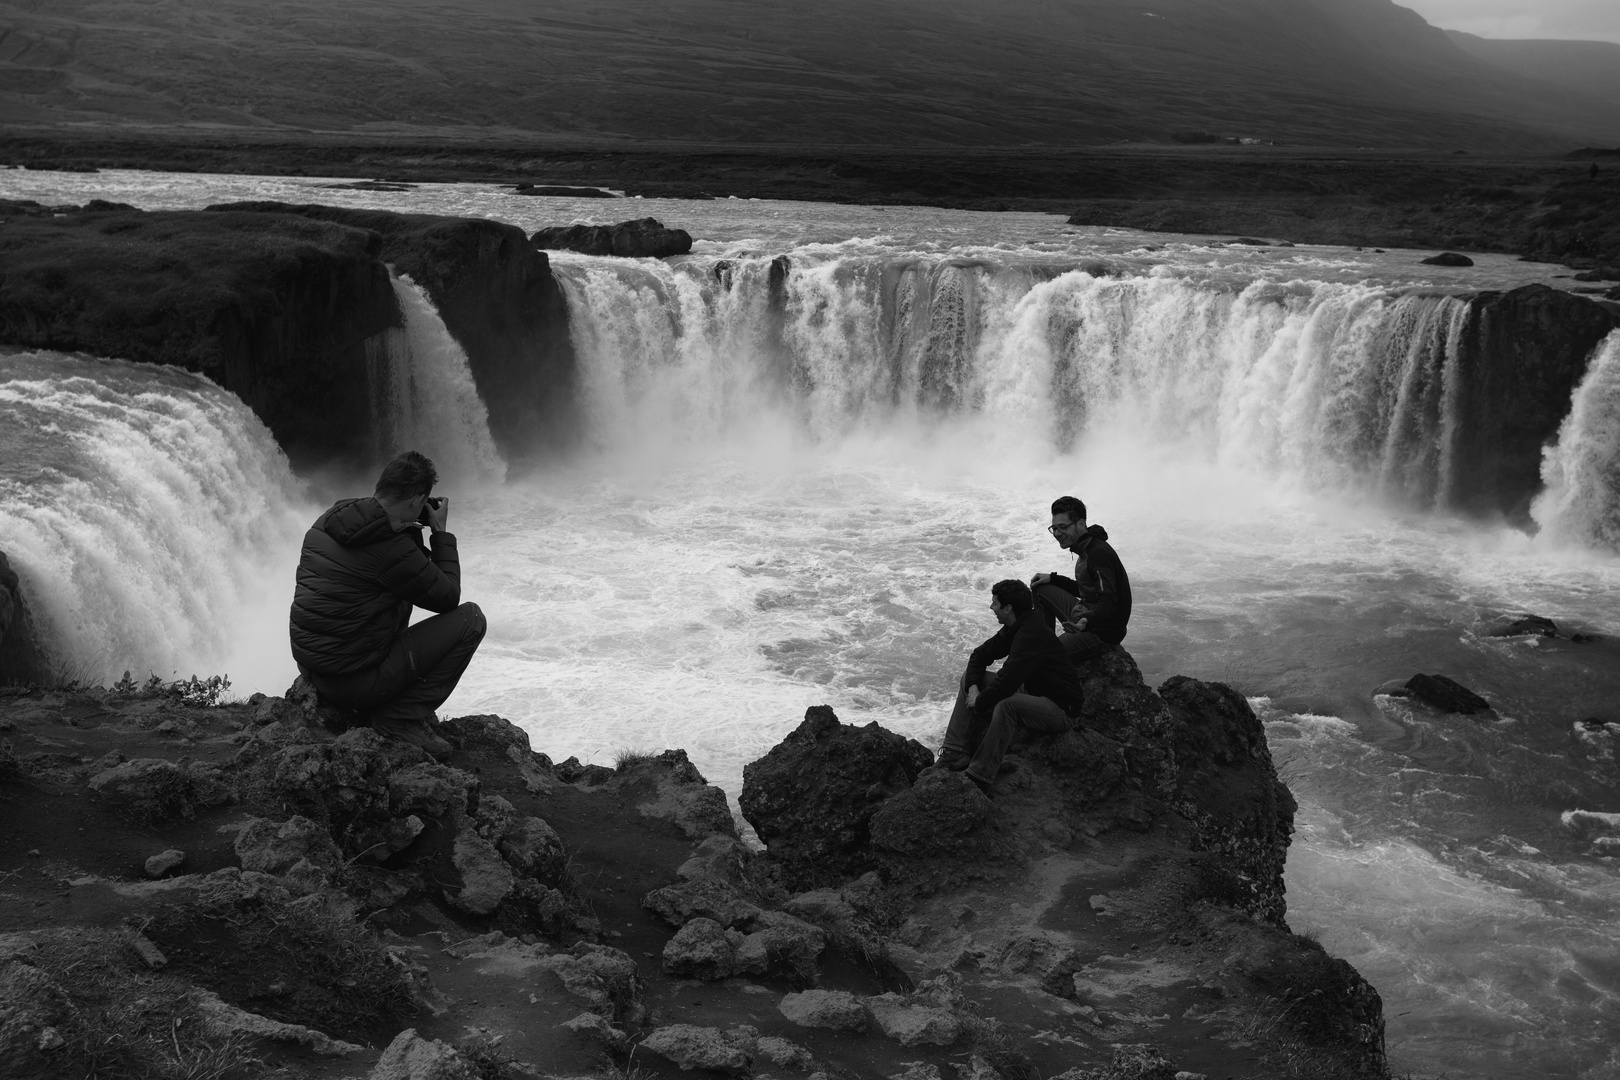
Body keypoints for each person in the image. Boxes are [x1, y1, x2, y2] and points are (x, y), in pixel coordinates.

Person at [288, 450, 485, 755]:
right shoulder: (391, 548)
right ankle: (396, 720)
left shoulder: (333, 516)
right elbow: (447, 597)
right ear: (415, 501)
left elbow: (403, 570)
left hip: (313, 668)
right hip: (352, 683)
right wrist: (440, 533)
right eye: (422, 502)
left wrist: (407, 528)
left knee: (390, 596)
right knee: (471, 619)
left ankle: (378, 704)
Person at [938, 579, 1085, 795]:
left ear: (1008, 608)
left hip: (1062, 709)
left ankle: (979, 775)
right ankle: (955, 750)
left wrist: (980, 701)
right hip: (1034, 693)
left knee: (1008, 705)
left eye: (994, 604)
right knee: (968, 678)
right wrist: (973, 688)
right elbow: (980, 655)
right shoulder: (1017, 625)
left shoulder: (1030, 634)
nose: (991, 608)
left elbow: (1007, 682)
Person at [1030, 495, 1131, 662]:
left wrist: (1086, 621)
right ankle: (1044, 642)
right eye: (1054, 528)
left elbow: (1108, 600)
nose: (1057, 533)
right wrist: (1054, 579)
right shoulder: (1086, 547)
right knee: (1040, 588)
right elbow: (1088, 590)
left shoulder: (1097, 554)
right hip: (1087, 613)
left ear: (1081, 524)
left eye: (1063, 527)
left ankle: (1047, 656)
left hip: (1100, 630)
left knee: (1046, 659)